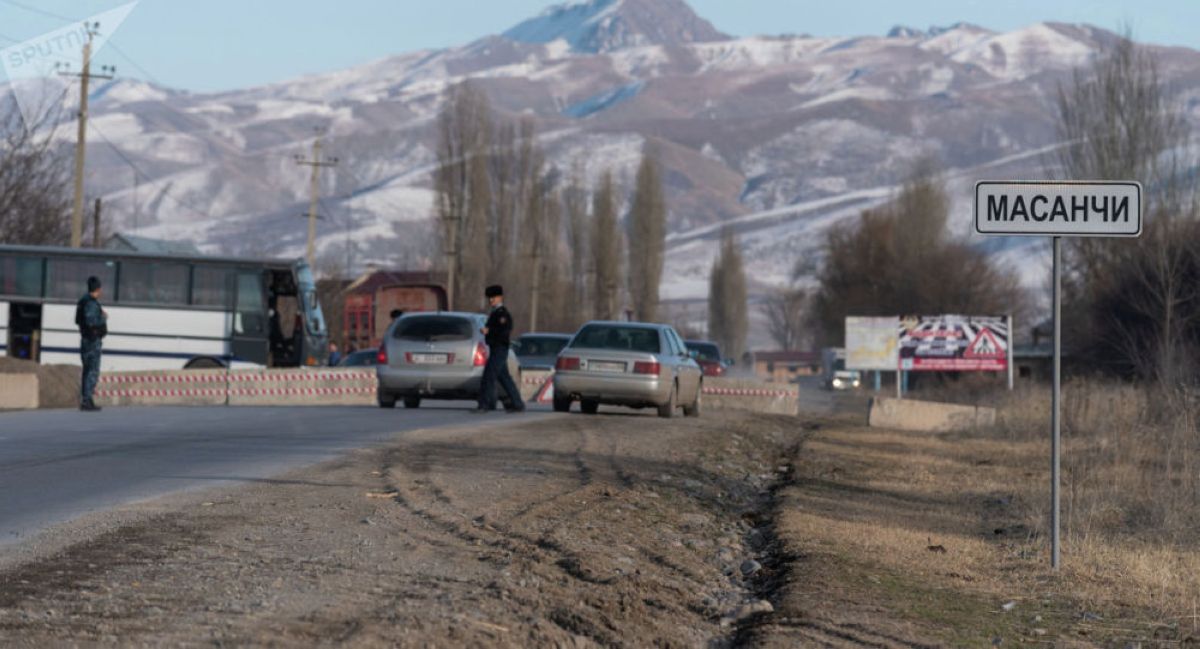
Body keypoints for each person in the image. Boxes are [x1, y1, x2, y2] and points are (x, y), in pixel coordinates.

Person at [472, 285, 525, 414]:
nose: (491, 300)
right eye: (489, 298)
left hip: (500, 348)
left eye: (493, 297)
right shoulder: (495, 313)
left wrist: (489, 330)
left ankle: (484, 405)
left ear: (500, 297)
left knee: (488, 376)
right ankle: (518, 404)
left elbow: (504, 331)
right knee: (504, 378)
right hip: (496, 348)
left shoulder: (502, 314)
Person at [75, 276, 108, 412]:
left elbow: (79, 320)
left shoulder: (83, 301)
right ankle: (87, 400)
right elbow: (91, 321)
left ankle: (87, 399)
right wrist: (102, 317)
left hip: (86, 339)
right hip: (92, 340)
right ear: (97, 289)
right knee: (92, 370)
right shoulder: (90, 303)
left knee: (87, 370)